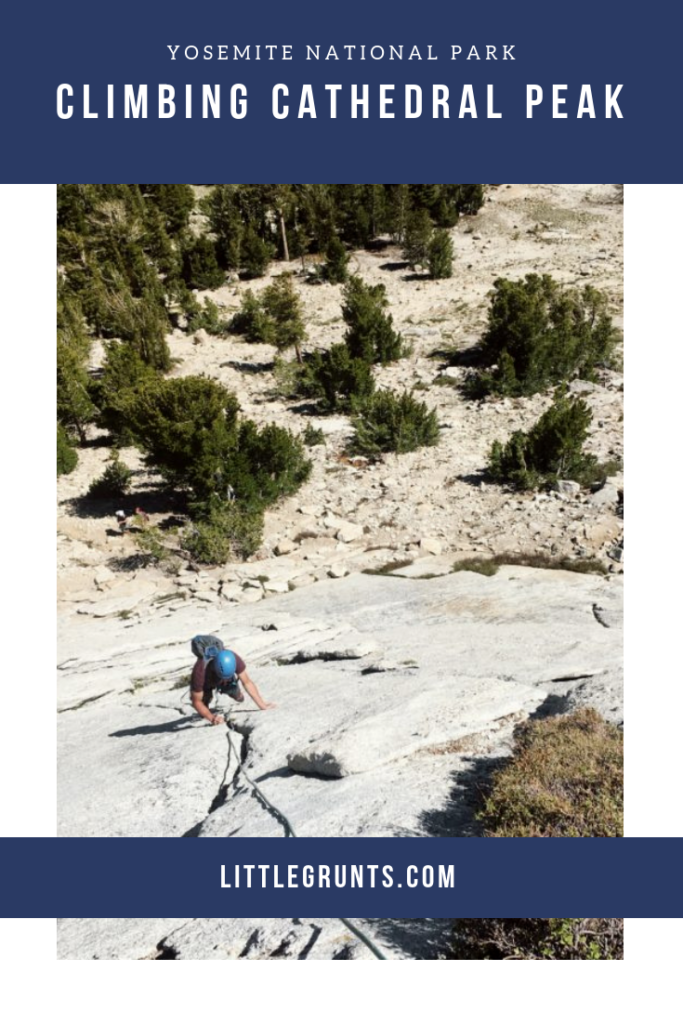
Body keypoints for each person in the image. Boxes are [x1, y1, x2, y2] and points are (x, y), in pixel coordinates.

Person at [190, 648, 275, 726]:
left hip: (226, 679)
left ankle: (236, 693)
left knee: (238, 696)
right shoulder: (200, 672)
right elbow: (196, 701)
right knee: (203, 705)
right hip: (207, 682)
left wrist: (262, 705)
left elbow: (247, 682)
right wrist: (212, 718)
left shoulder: (234, 659)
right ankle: (206, 708)